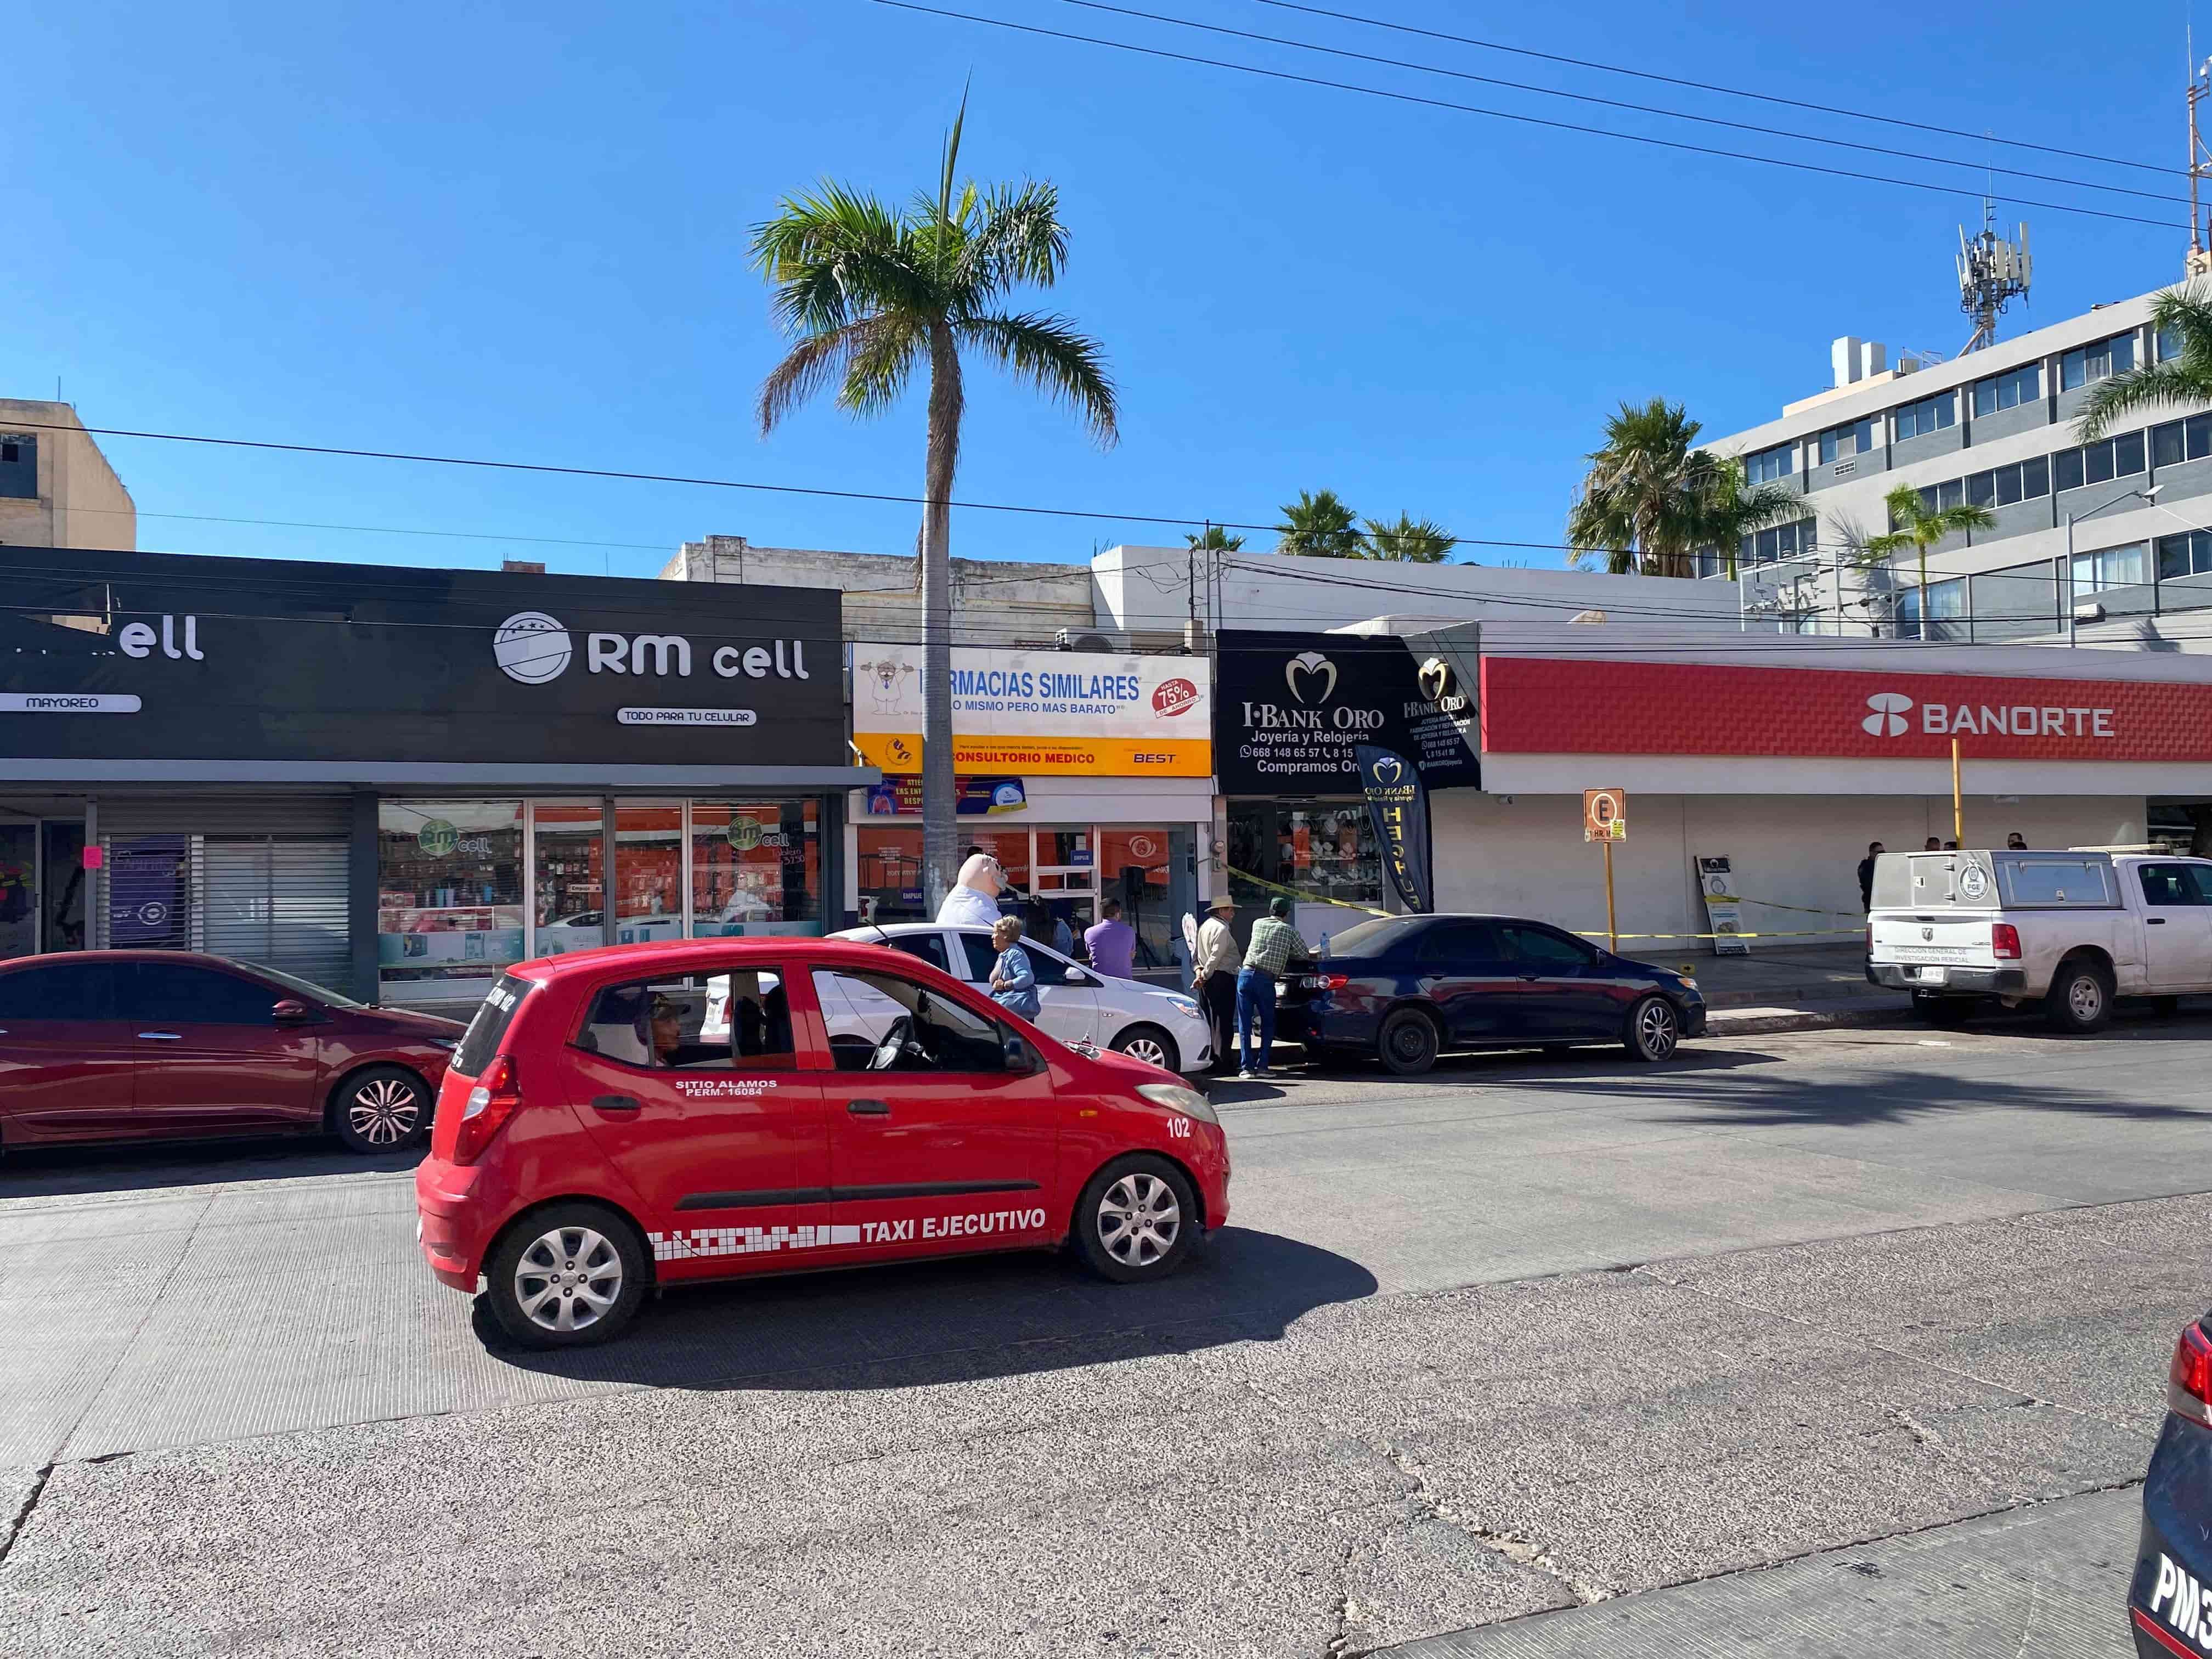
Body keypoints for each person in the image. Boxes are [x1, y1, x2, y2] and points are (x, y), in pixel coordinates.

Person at [1237, 896, 1312, 1080]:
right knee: (1268, 1023)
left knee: (1244, 1025)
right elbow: (1304, 953)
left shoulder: (1257, 924)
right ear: (1286, 914)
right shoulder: (1289, 931)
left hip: (1245, 976)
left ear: (1270, 911)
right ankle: (1263, 1067)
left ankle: (1246, 1068)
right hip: (1266, 979)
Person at [1193, 894, 1242, 1074]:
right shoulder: (1221, 929)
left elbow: (1199, 956)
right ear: (1221, 911)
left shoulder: (1205, 926)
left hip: (1210, 979)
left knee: (1211, 1021)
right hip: (1219, 977)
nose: (1233, 913)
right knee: (1223, 1022)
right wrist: (1205, 975)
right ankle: (1223, 1062)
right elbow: (1215, 958)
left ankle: (1214, 1059)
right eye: (1230, 910)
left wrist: (1202, 976)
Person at [986, 917, 1040, 1021]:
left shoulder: (1015, 954)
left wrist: (1005, 985)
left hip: (1016, 1013)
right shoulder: (1005, 954)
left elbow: (1027, 977)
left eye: (996, 933)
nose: (993, 937)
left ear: (1006, 935)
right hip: (1010, 1011)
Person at [937, 852, 1004, 928]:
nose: (1001, 875)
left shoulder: (957, 897)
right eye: (997, 869)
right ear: (985, 870)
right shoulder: (978, 906)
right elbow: (1001, 932)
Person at [1085, 898, 1138, 980]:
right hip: (1126, 982)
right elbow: (1132, 955)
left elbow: (1091, 953)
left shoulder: (1089, 932)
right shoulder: (1129, 931)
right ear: (1118, 914)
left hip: (1101, 983)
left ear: (1101, 914)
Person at [1857, 842, 1883, 912]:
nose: (1882, 854)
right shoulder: (1865, 866)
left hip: (1884, 902)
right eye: (1879, 852)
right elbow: (1869, 885)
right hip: (1871, 903)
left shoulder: (1883, 865)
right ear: (1871, 853)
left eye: (1883, 852)